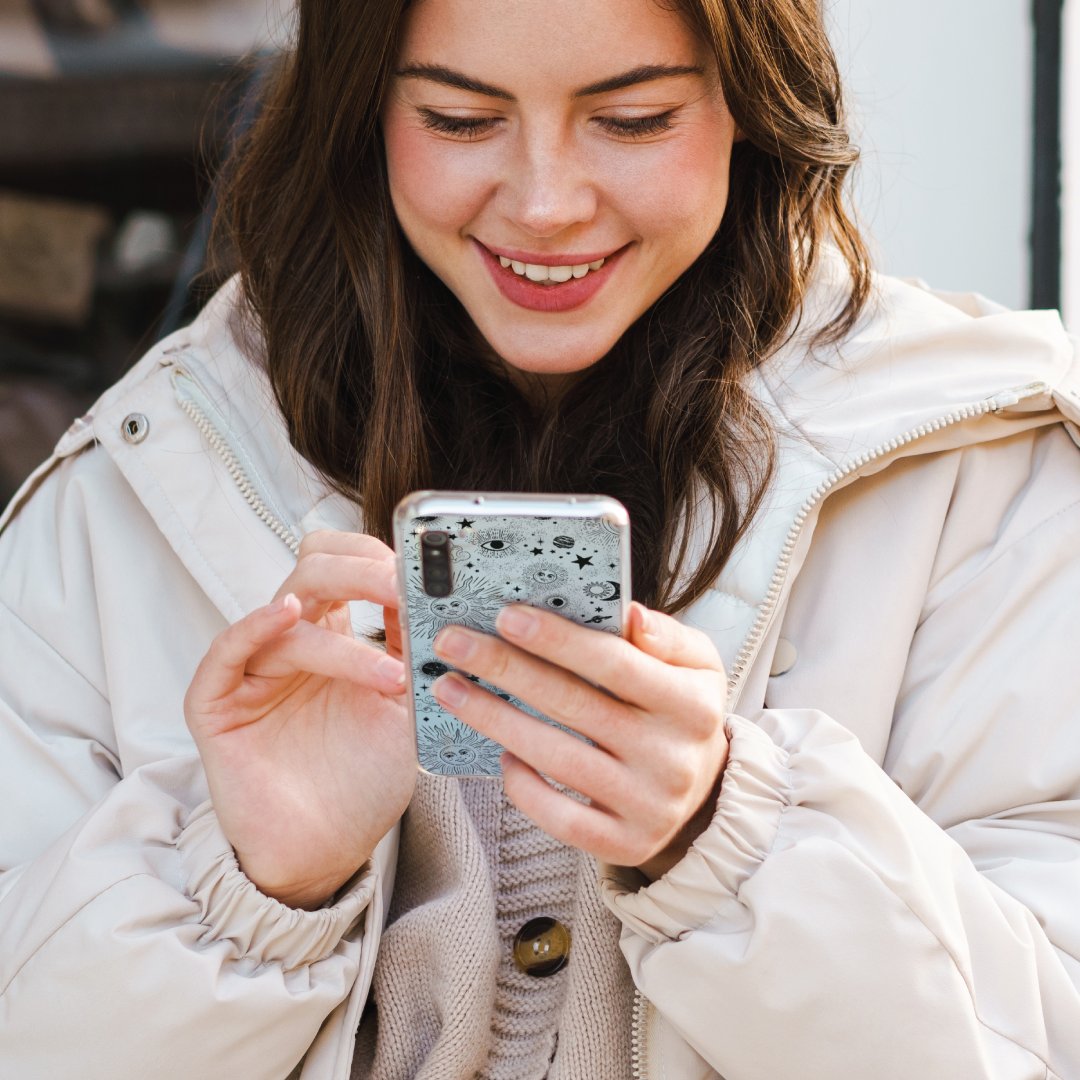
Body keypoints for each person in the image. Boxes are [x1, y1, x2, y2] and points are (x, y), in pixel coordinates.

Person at [2, 0, 1079, 1077]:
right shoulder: (141, 487)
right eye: (461, 120)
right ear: (359, 112)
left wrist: (730, 840)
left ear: (753, 104)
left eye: (637, 118)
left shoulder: (977, 478)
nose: (548, 204)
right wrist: (248, 886)